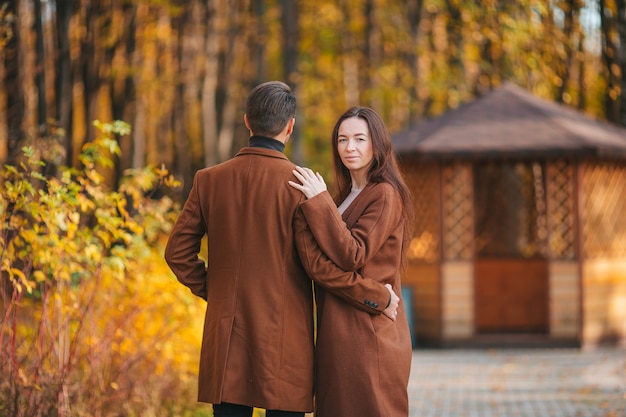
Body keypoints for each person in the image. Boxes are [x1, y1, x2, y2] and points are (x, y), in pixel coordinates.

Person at [164, 82, 399, 417]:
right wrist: (377, 296)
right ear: (290, 126)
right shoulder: (300, 185)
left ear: (247, 121)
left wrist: (215, 291)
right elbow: (319, 267)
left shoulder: (208, 180)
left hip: (226, 336)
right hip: (285, 343)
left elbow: (177, 253)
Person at [288, 106, 414, 417]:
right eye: (342, 140)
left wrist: (318, 203)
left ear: (377, 144)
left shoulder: (384, 194)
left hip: (370, 335)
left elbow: (352, 254)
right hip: (338, 331)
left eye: (360, 139)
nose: (350, 148)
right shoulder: (344, 196)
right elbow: (319, 264)